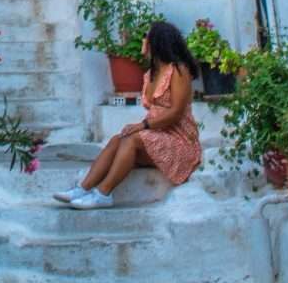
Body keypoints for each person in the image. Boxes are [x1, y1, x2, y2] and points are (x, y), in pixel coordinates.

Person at [53, 21, 202, 209]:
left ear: (157, 42)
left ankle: (103, 194)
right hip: (159, 136)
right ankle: (83, 188)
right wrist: (141, 128)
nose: (143, 42)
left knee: (132, 139)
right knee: (118, 139)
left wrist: (143, 126)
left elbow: (175, 113)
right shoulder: (151, 75)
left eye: (146, 38)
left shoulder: (179, 70)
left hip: (180, 142)